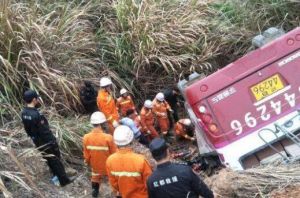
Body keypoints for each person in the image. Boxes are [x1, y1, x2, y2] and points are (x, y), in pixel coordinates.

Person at [21, 90, 73, 187]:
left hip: (37, 141)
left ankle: (55, 175)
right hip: (46, 141)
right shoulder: (36, 115)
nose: (38, 100)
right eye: (37, 98)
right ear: (34, 99)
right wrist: (52, 141)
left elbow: (27, 129)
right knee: (56, 159)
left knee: (48, 158)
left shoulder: (24, 113)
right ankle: (64, 180)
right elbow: (45, 131)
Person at [147, 138, 214, 198]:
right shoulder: (184, 170)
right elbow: (205, 192)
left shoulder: (151, 181)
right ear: (167, 151)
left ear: (153, 156)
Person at [106, 125, 152, 198]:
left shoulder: (110, 160)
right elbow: (149, 183)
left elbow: (114, 184)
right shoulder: (140, 160)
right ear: (131, 140)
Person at [83, 111, 117, 197]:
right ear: (102, 124)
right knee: (114, 178)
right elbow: (114, 154)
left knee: (95, 176)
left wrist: (87, 162)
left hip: (95, 166)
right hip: (107, 167)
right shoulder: (108, 138)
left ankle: (95, 190)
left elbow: (86, 155)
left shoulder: (86, 137)